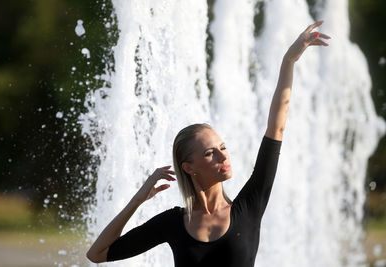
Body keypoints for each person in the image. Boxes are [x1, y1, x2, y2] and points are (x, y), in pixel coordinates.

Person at [86, 21, 330, 266]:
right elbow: (96, 254)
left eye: (223, 148)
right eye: (210, 153)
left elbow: (276, 128)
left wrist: (289, 61)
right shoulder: (172, 223)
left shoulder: (249, 205)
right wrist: (138, 199)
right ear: (189, 167)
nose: (224, 157)